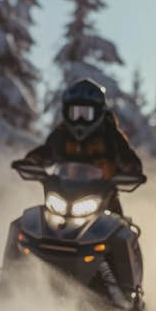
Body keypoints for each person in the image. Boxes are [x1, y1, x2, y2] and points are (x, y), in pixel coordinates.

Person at [21, 78, 143, 214]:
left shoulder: (110, 135)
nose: (80, 119)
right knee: (29, 225)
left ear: (98, 112)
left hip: (104, 202)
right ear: (67, 112)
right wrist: (32, 162)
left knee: (121, 230)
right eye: (75, 113)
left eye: (86, 114)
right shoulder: (62, 134)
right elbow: (47, 151)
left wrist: (132, 170)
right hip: (62, 197)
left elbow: (126, 157)